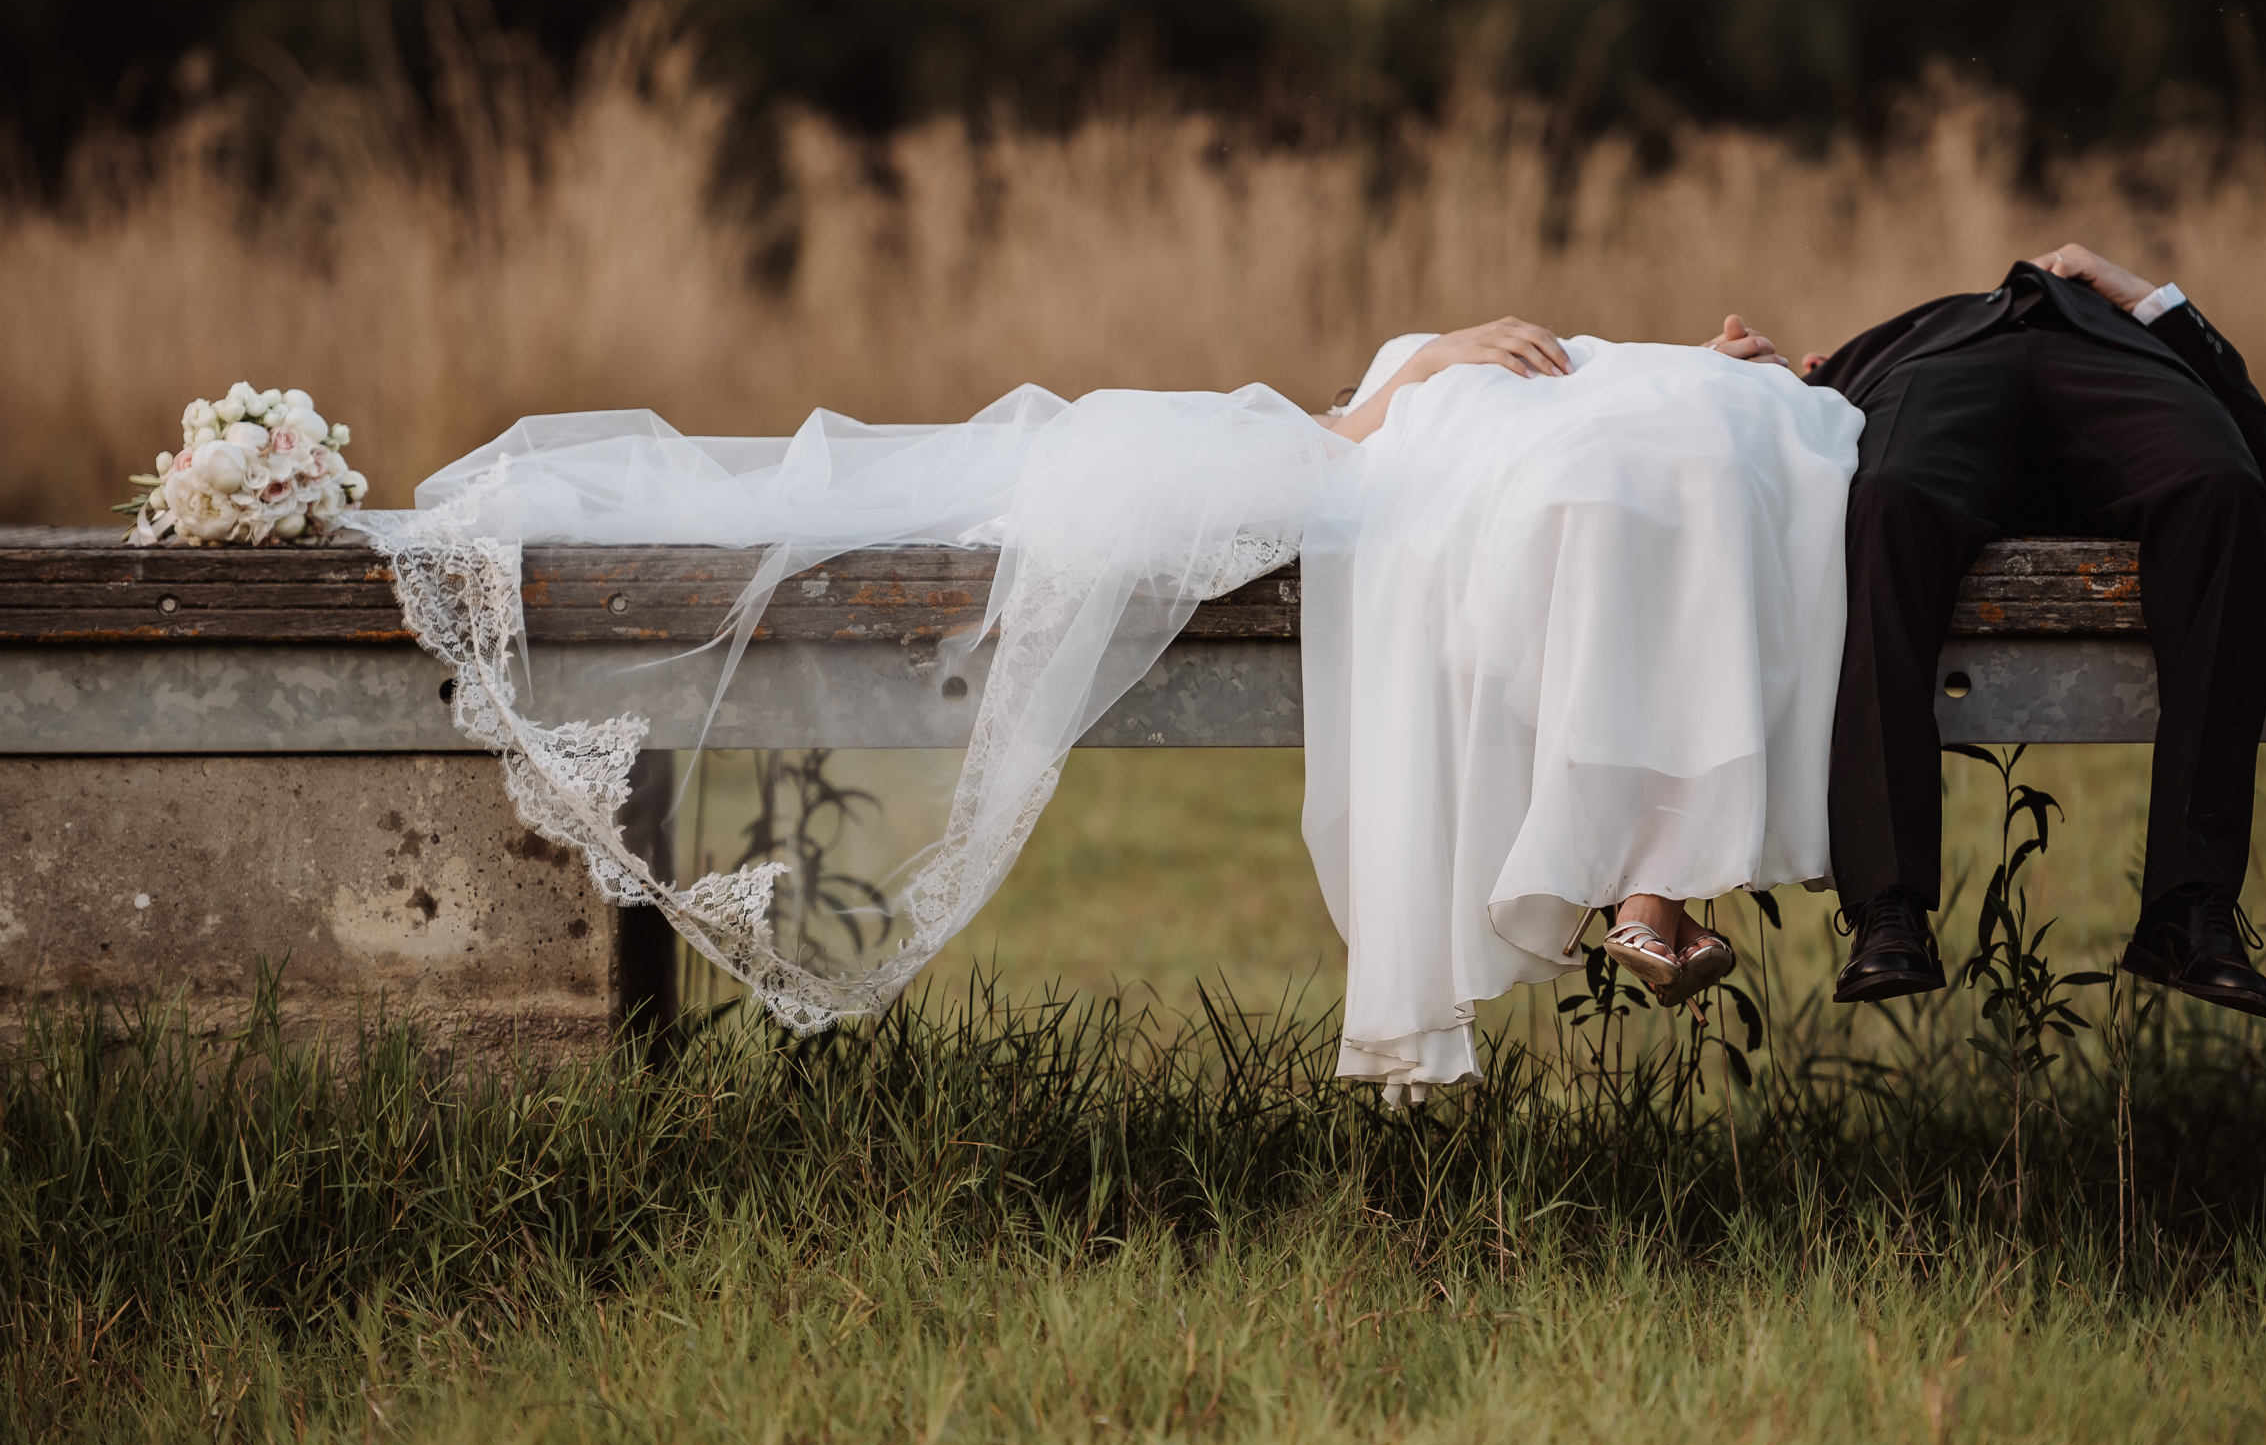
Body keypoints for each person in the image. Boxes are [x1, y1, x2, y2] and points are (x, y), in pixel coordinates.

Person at [359, 316, 1859, 1099]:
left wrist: (1457, 382)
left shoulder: (1609, 400)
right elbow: (1340, 439)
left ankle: (1638, 877)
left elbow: (1360, 444)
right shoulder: (1445, 389)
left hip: (1454, 450)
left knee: (1061, 477)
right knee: (1004, 486)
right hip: (1403, 439)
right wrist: (1433, 376)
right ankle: (1639, 877)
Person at [1301, 317, 1857, 1096]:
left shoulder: (1503, 379)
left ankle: (1650, 894)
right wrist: (1427, 362)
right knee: (1641, 483)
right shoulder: (1408, 382)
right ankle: (1653, 892)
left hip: (1580, 419)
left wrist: (1670, 365)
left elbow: (1594, 383)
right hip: (1514, 450)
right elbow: (1320, 447)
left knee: (1671, 460)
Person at [1750, 244, 2266, 1018]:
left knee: (2230, 495)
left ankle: (2190, 905)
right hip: (1938, 370)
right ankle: (1886, 904)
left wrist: (2151, 302)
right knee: (1885, 501)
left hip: (2116, 364)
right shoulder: (1878, 355)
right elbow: (1781, 461)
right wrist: (1792, 387)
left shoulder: (2137, 329)